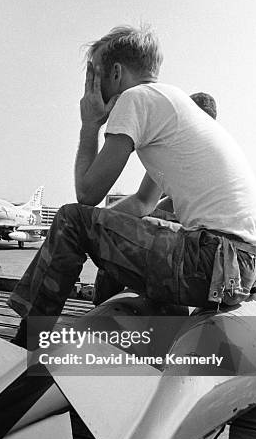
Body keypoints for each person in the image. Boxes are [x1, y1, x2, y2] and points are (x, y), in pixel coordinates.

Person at [9, 24, 256, 346]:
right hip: (239, 266)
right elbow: (143, 203)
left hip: (210, 260)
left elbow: (87, 195)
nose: (93, 87)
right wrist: (109, 228)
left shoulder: (136, 99)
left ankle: (25, 345)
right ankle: (142, 328)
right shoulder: (172, 105)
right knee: (120, 224)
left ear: (115, 72)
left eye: (95, 76)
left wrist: (89, 124)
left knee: (71, 220)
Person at [92, 90, 217, 304]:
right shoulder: (215, 150)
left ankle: (101, 302)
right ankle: (104, 300)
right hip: (214, 243)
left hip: (204, 241)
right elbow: (163, 203)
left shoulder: (183, 146)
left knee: (121, 236)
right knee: (129, 226)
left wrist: (98, 221)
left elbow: (144, 202)